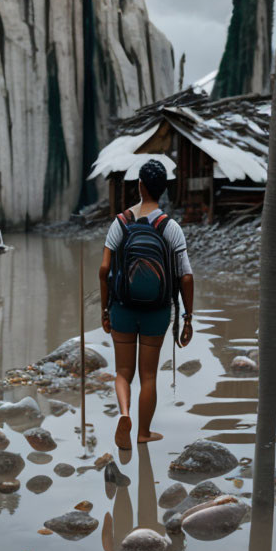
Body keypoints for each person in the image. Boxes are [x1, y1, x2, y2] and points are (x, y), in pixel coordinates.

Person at [98, 159, 194, 450]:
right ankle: (143, 433)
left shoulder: (121, 222)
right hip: (156, 311)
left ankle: (124, 413)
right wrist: (187, 318)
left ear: (140, 186)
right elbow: (186, 277)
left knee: (123, 373)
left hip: (122, 307)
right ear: (163, 191)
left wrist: (104, 310)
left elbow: (104, 270)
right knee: (148, 375)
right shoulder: (170, 227)